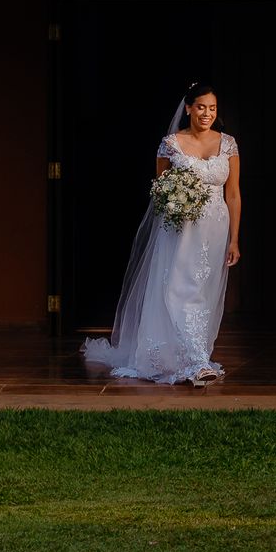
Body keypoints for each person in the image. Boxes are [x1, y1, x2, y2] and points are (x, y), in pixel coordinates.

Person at [82, 82, 243, 385]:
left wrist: (234, 238)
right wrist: (178, 201)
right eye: (201, 107)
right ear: (188, 108)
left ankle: (193, 353)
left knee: (205, 293)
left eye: (212, 108)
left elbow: (233, 194)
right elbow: (162, 190)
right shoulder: (171, 144)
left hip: (216, 230)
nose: (207, 113)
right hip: (182, 229)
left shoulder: (228, 144)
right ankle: (197, 362)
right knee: (180, 289)